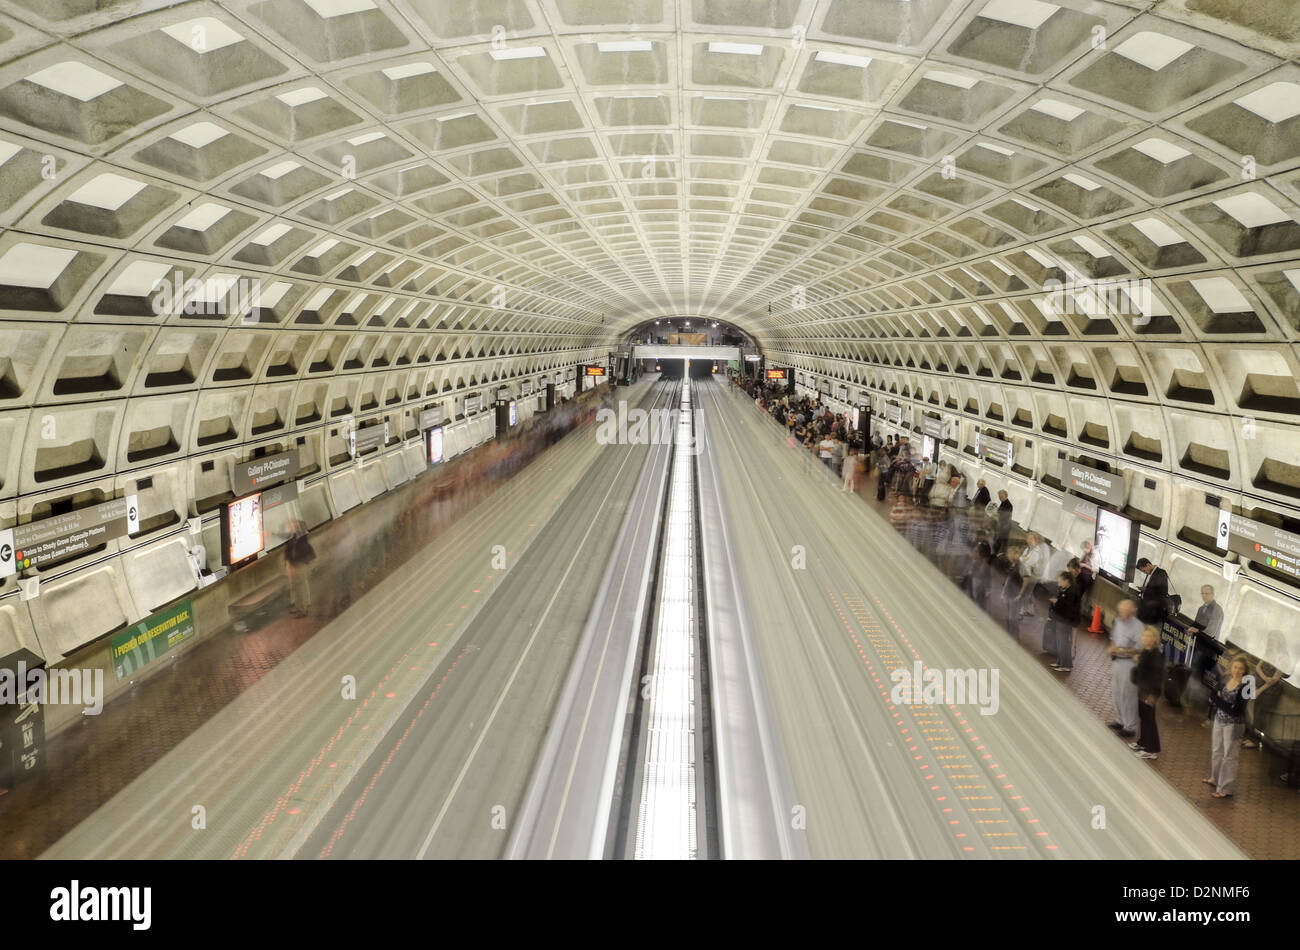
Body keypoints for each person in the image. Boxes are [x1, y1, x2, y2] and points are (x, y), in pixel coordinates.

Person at [1206, 656, 1250, 798]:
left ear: (1244, 672)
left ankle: (1225, 788)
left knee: (1229, 756)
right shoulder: (1225, 679)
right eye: (1235, 667)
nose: (1237, 671)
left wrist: (1218, 700)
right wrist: (1221, 701)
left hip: (1234, 725)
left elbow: (1235, 710)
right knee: (1216, 749)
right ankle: (1214, 778)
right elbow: (1212, 695)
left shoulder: (1245, 688)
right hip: (1219, 720)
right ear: (1231, 668)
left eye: (1240, 669)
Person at [1107, 599, 1143, 739]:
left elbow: (1139, 649)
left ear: (1131, 611)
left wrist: (1120, 649)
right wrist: (1112, 647)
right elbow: (1113, 638)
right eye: (1120, 610)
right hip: (1117, 661)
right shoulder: (1118, 621)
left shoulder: (1138, 626)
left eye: (1124, 611)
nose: (1121, 613)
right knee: (1116, 692)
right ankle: (1120, 720)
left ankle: (1130, 727)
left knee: (1127, 695)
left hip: (1129, 665)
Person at [1046, 570, 1082, 672]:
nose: (1059, 584)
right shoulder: (1065, 589)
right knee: (1059, 641)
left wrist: (1057, 602)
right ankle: (1060, 662)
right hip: (1061, 618)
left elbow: (1068, 607)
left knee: (1064, 642)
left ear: (1067, 581)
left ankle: (1066, 665)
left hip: (1066, 620)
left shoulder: (1072, 591)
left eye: (1061, 582)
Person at [283, 518, 316, 617]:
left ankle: (303, 609)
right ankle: (299, 606)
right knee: (296, 587)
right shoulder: (292, 537)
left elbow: (301, 550)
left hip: (299, 564)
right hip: (292, 564)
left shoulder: (301, 537)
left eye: (291, 525)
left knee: (300, 587)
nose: (288, 527)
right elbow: (288, 551)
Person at [1135, 557, 1170, 627]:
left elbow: (1162, 593)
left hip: (1153, 612)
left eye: (1144, 571)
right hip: (1146, 609)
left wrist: (1146, 590)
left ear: (1148, 565)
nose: (1144, 573)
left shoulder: (1161, 574)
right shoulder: (1150, 574)